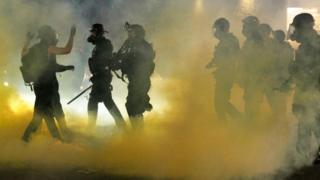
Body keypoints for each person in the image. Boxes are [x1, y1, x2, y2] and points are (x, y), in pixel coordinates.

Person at [22, 25, 76, 142]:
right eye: (51, 34)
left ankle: (54, 140)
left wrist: (28, 40)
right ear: (47, 36)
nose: (54, 37)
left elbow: (23, 55)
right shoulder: (48, 48)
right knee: (58, 113)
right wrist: (72, 36)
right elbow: (67, 50)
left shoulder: (34, 49)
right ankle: (65, 138)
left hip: (39, 87)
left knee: (43, 115)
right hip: (49, 88)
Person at [288, 13, 320, 164]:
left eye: (297, 28)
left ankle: (305, 159)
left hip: (313, 94)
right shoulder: (306, 46)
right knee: (305, 125)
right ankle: (303, 158)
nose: (295, 32)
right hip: (305, 93)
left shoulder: (316, 45)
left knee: (314, 125)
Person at [113, 23, 155, 129]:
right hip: (135, 81)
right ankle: (138, 132)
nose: (129, 34)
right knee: (133, 107)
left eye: (131, 32)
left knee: (133, 106)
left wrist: (119, 64)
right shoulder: (131, 44)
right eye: (129, 32)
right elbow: (121, 56)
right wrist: (114, 62)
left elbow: (134, 62)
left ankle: (139, 134)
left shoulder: (142, 46)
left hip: (140, 82)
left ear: (137, 33)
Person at [86, 23, 126, 130]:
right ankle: (122, 126)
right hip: (100, 78)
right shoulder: (99, 45)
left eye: (94, 32)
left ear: (98, 33)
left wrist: (98, 76)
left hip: (102, 78)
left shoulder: (105, 45)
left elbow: (104, 63)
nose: (92, 34)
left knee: (96, 101)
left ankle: (91, 128)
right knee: (106, 101)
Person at [206, 18, 241, 120]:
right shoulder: (225, 41)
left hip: (226, 75)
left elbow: (232, 58)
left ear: (222, 28)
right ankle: (228, 125)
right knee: (220, 103)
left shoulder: (229, 40)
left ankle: (240, 121)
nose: (215, 32)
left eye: (216, 29)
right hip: (223, 75)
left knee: (221, 103)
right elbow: (220, 57)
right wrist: (211, 63)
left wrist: (219, 64)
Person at [238, 16, 265, 120]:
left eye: (245, 26)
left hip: (254, 79)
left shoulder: (256, 41)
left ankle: (252, 129)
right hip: (251, 79)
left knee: (252, 105)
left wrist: (250, 77)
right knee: (250, 103)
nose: (243, 28)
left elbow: (256, 62)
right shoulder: (251, 40)